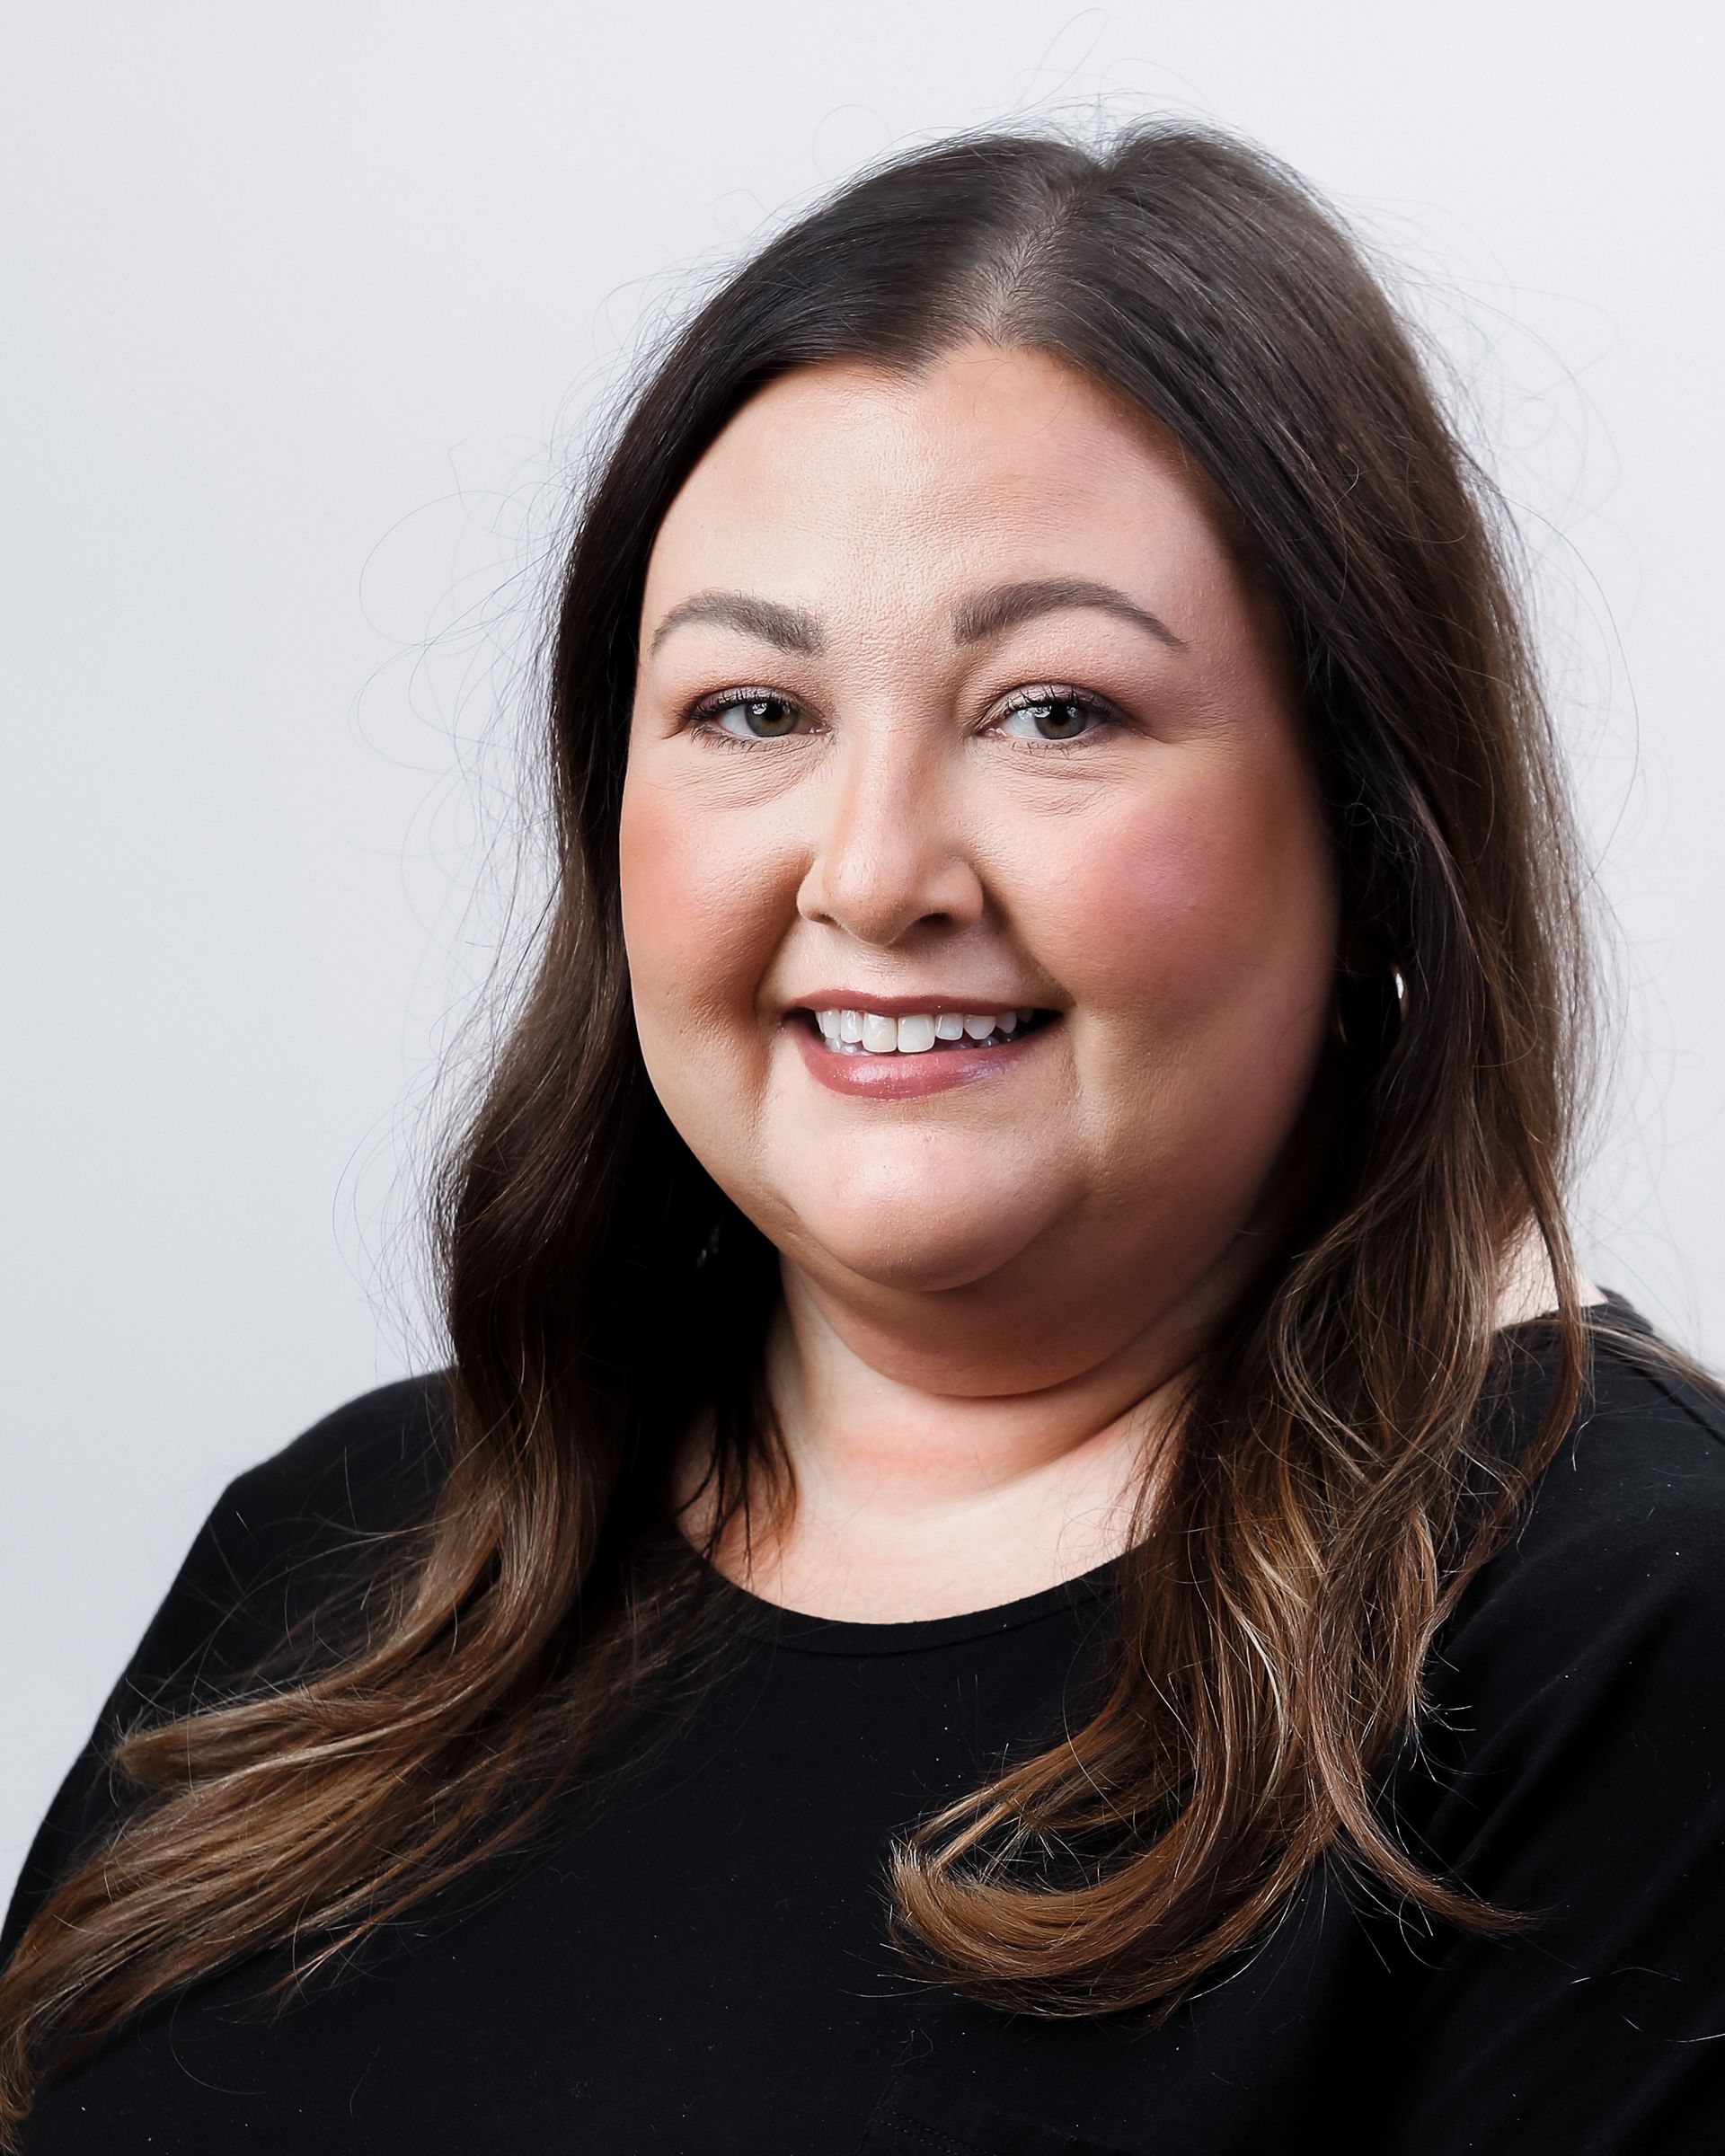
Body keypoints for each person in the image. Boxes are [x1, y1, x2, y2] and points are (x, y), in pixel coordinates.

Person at [3, 118, 1722, 2155]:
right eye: (752, 712)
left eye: (1055, 711)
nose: (878, 867)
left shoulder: (1623, 1633)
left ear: (1371, 832)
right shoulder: (345, 1551)